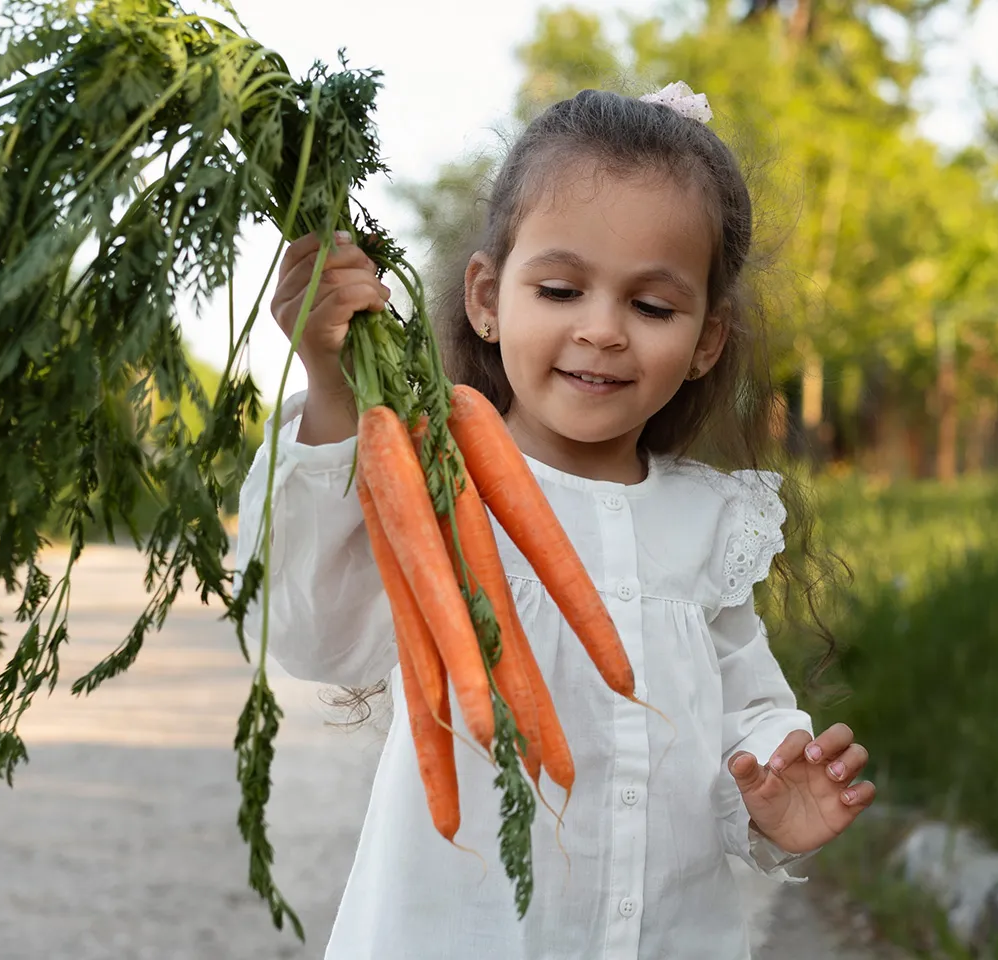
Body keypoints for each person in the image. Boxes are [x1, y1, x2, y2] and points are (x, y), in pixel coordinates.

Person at [236, 83, 874, 958]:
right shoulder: (432, 481)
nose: (603, 331)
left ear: (706, 342)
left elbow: (743, 711)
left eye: (652, 306)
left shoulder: (708, 519)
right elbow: (315, 636)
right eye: (563, 289)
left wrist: (771, 785)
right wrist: (334, 385)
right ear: (489, 298)